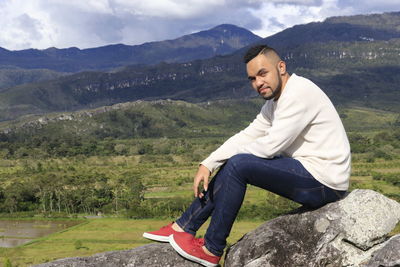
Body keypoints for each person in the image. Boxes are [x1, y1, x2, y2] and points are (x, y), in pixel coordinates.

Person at [143, 44, 351, 267]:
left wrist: (228, 161)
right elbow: (247, 136)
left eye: (263, 73)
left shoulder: (299, 93)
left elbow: (269, 147)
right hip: (309, 172)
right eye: (252, 78)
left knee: (238, 164)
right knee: (236, 162)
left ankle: (211, 248)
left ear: (281, 67)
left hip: (325, 183)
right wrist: (208, 163)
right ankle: (183, 227)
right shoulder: (274, 103)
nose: (258, 83)